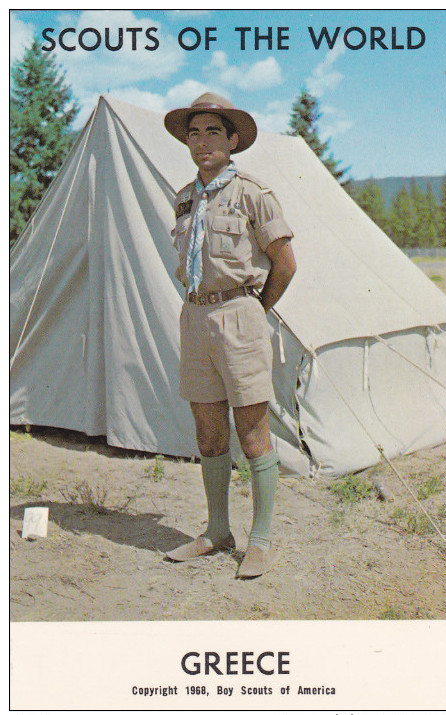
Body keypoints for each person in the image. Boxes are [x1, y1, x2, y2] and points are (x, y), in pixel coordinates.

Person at [163, 93, 296, 578]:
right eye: (194, 133)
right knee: (208, 430)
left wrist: (256, 310)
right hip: (196, 317)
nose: (202, 142)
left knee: (252, 431)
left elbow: (285, 263)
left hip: (240, 314)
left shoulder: (252, 194)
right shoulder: (184, 197)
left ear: (233, 140)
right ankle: (218, 530)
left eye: (213, 132)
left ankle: (258, 541)